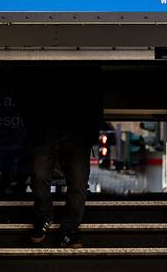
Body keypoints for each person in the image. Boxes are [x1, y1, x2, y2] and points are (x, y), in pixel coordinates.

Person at [17, 63, 104, 248]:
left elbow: (96, 95)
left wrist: (91, 131)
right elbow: (26, 90)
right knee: (39, 175)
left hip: (77, 130)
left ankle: (69, 230)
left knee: (78, 181)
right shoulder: (47, 61)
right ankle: (44, 216)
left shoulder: (86, 65)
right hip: (46, 129)